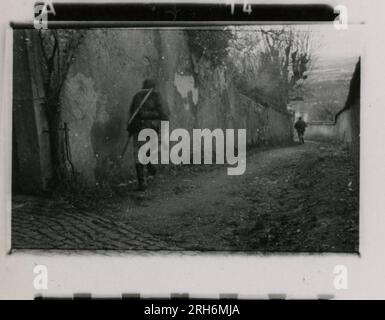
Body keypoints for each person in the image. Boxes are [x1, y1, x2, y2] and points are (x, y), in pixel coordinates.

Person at [127, 79, 169, 191]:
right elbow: (163, 113)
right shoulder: (155, 95)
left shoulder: (137, 96)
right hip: (150, 128)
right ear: (153, 87)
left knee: (138, 153)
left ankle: (142, 182)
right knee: (149, 150)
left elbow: (132, 112)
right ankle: (150, 168)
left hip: (138, 128)